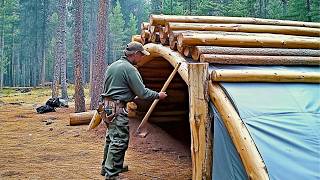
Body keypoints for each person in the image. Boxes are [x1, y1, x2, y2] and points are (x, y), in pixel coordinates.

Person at [100, 41, 167, 180]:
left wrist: (129, 95)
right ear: (135, 54)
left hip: (107, 106)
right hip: (117, 107)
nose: (142, 58)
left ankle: (108, 167)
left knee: (111, 138)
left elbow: (115, 88)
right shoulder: (129, 69)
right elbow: (143, 93)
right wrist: (158, 95)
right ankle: (111, 174)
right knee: (119, 140)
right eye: (141, 55)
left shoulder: (113, 66)